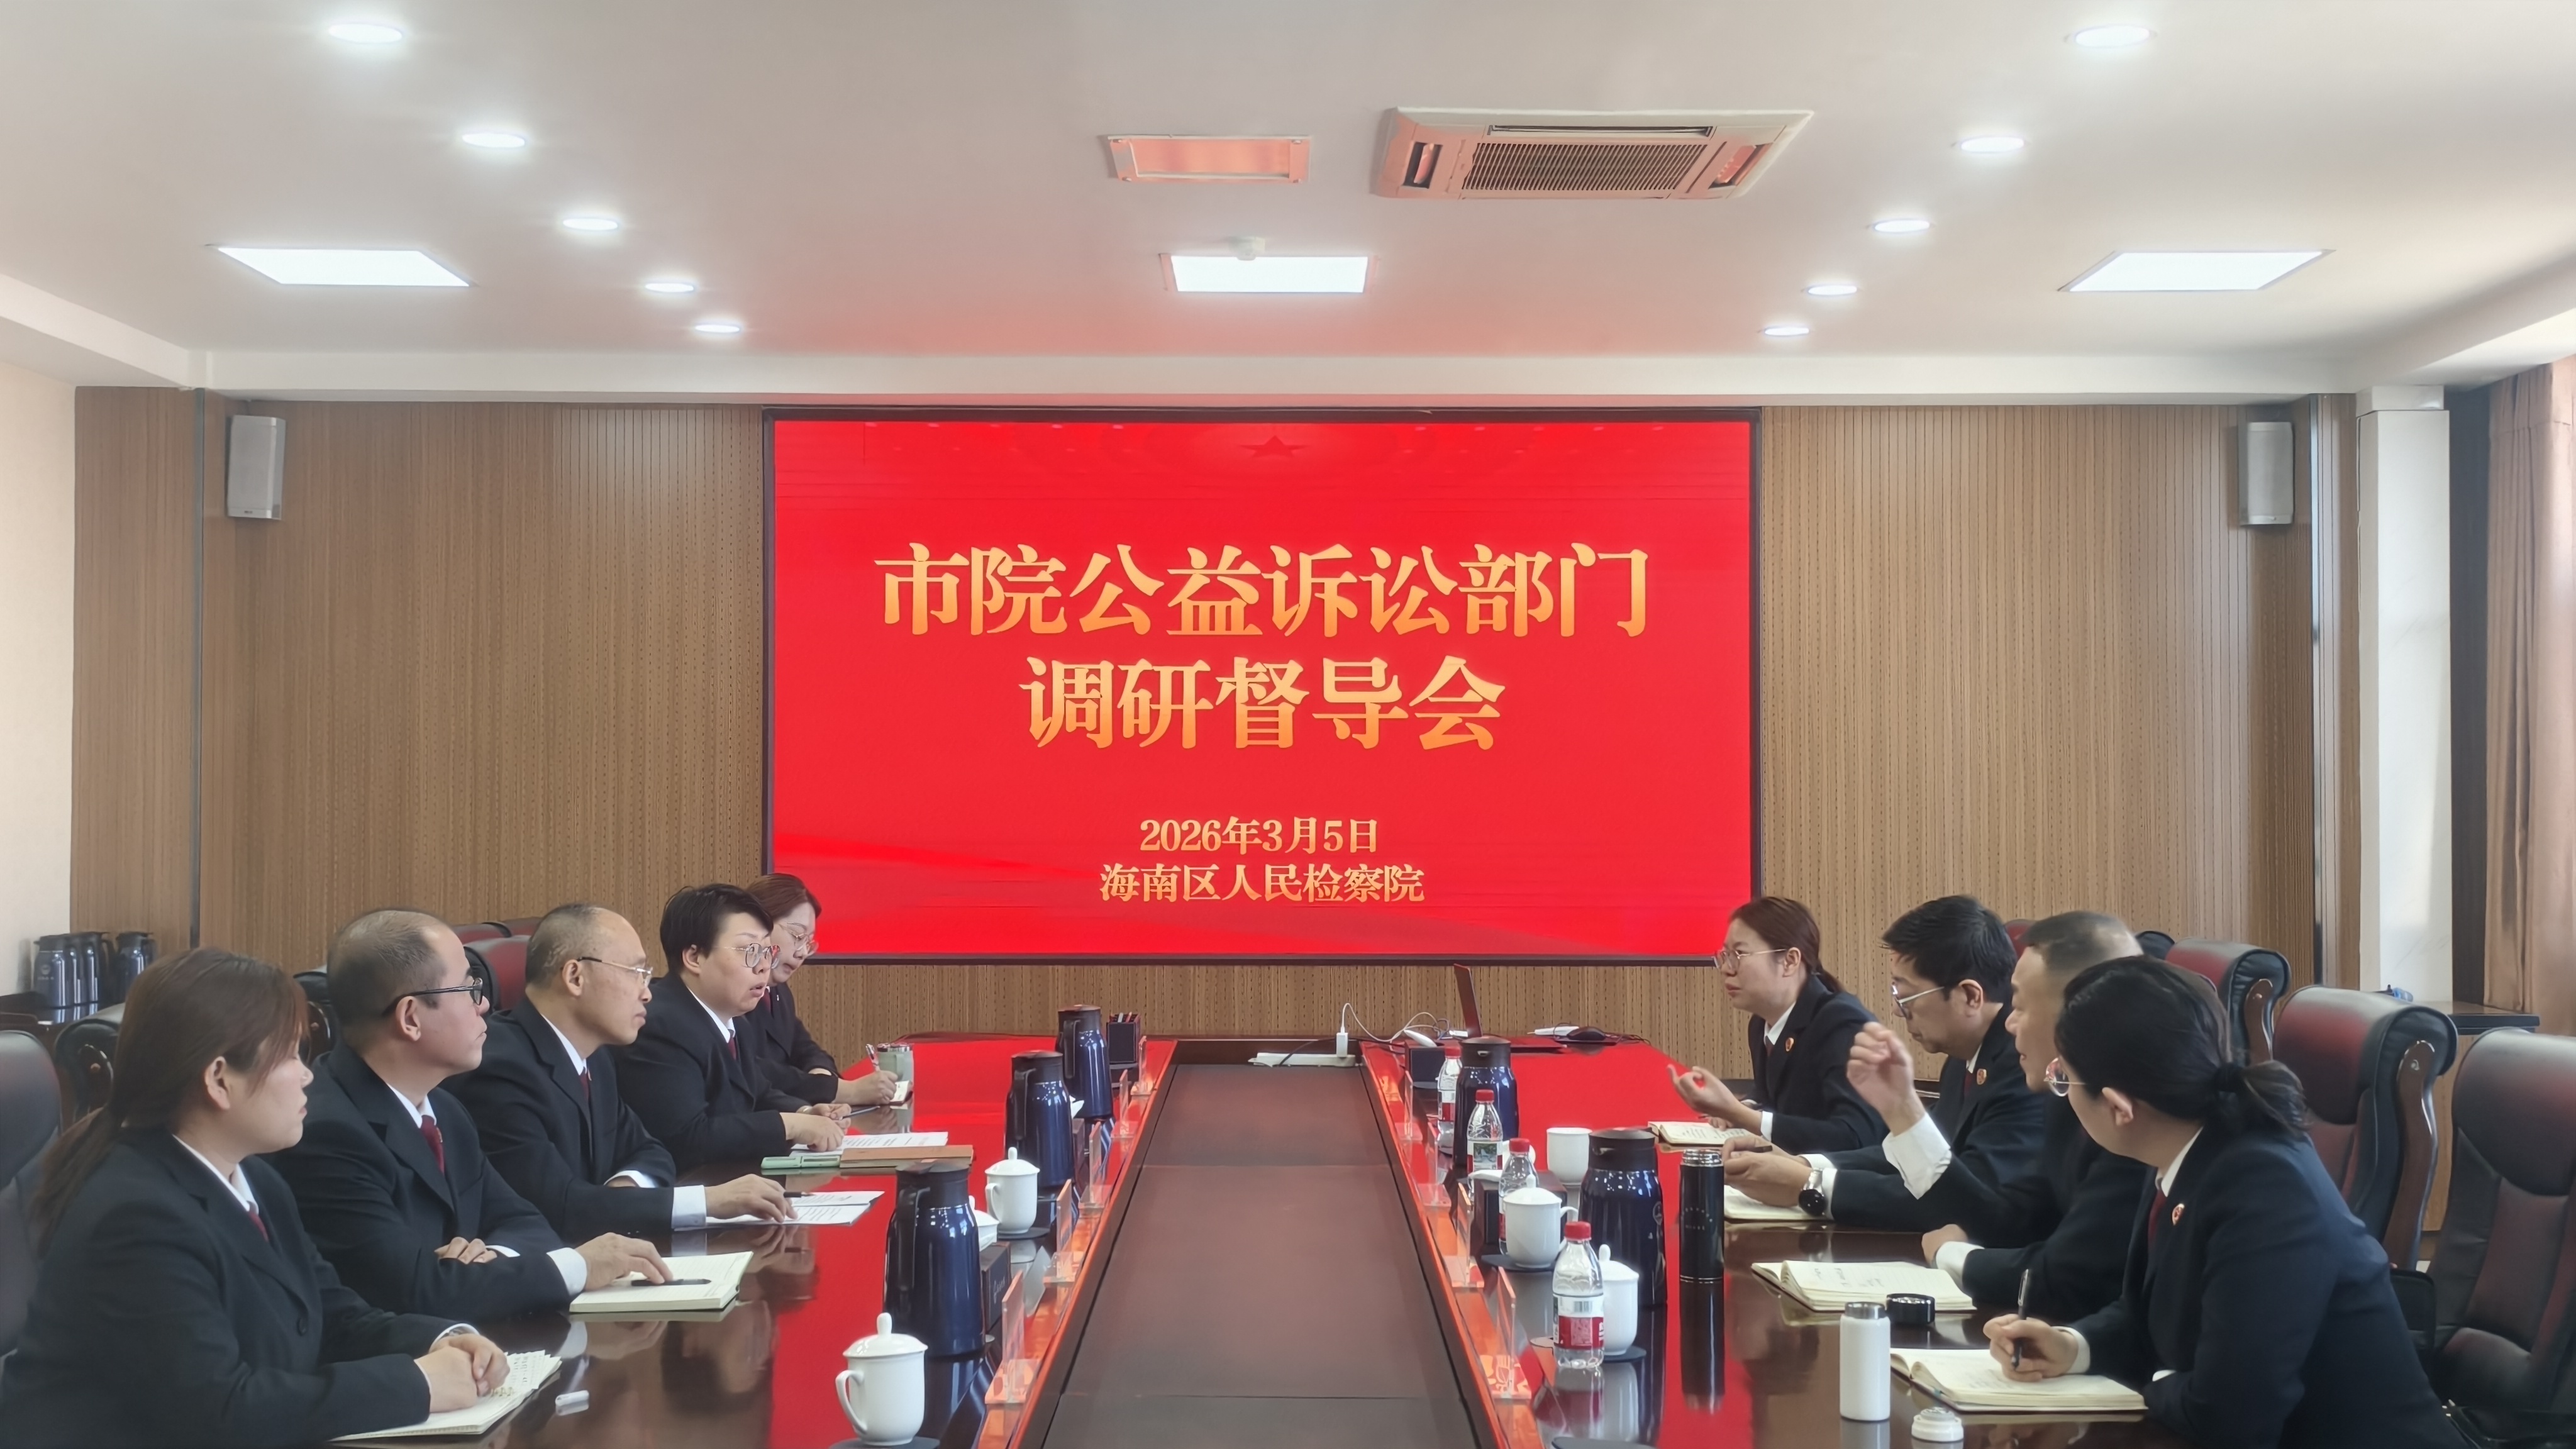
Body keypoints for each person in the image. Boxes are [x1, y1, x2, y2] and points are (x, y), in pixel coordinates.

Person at [0, 949, 510, 1449]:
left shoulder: (256, 1179)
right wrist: (418, 1385)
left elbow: (333, 1317)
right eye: (290, 1055)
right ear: (220, 1080)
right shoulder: (135, 1215)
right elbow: (223, 1411)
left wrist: (440, 1340)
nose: (308, 1074)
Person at [1984, 958, 2460, 1449]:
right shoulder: (2187, 1141)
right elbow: (2151, 1315)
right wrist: (2073, 1346)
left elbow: (2228, 1416)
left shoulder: (2264, 1188)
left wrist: (2153, 1383)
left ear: (2120, 1108)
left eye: (2064, 1078)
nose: (2061, 1091)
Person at [268, 910, 670, 1323]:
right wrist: (580, 1266)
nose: (485, 1005)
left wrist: (489, 1259)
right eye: (468, 988)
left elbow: (528, 1222)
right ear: (411, 1018)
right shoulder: (328, 1136)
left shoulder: (445, 1109)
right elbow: (419, 1294)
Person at [448, 904, 790, 1240]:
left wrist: (623, 1193)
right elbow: (559, 1210)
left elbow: (652, 1151)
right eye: (635, 973)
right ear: (576, 977)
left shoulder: (595, 1056)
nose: (647, 993)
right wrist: (707, 1201)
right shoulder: (501, 1071)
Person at [1724, 894, 2048, 1230]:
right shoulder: (1962, 1060)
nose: (1896, 1010)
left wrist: (1810, 1186)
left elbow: (1966, 1199)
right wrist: (1804, 1164)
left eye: (1906, 996)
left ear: (1970, 996)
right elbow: (1914, 1159)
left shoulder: (2022, 1068)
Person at [1918, 911, 2156, 1319]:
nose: (2009, 1024)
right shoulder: (2066, 1095)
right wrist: (1971, 1232)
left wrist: (1952, 1255)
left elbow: (2065, 1278)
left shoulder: (2134, 1118)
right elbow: (2019, 1212)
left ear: (2080, 1013)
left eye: (2021, 1007)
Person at [617, 884, 848, 1170]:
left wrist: (805, 1112)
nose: (763, 966)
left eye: (766, 951)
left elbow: (758, 1092)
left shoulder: (732, 1018)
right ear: (695, 957)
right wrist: (790, 1125)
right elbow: (687, 1137)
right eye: (749, 950)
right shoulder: (660, 1025)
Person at [1668, 896, 1884, 1152]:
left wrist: (1739, 1114)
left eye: (1739, 955)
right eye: (1725, 956)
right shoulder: (1761, 1023)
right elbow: (1772, 1097)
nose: (1726, 969)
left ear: (1790, 961)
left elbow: (1855, 1137)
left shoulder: (1842, 1024)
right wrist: (1744, 1106)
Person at [738, 873, 898, 1109]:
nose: (802, 952)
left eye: (809, 942)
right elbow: (747, 1069)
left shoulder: (778, 991)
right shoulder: (729, 992)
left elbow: (805, 1048)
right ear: (760, 923)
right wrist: (844, 1091)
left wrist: (821, 1075)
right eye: (797, 936)